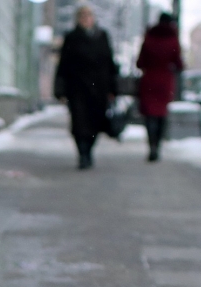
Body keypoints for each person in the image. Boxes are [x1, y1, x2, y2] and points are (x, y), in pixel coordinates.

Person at [55, 5, 119, 169]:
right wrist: (60, 90)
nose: (85, 18)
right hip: (77, 87)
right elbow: (63, 65)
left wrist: (113, 89)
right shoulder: (71, 37)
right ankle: (83, 153)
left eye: (88, 15)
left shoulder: (102, 36)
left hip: (99, 88)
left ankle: (89, 149)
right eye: (82, 15)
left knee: (95, 121)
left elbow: (110, 63)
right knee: (79, 122)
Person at [136, 12, 184, 161]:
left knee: (150, 115)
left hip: (149, 79)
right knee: (161, 114)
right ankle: (158, 144)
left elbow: (140, 62)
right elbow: (179, 63)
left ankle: (152, 145)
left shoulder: (149, 37)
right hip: (165, 81)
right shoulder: (173, 39)